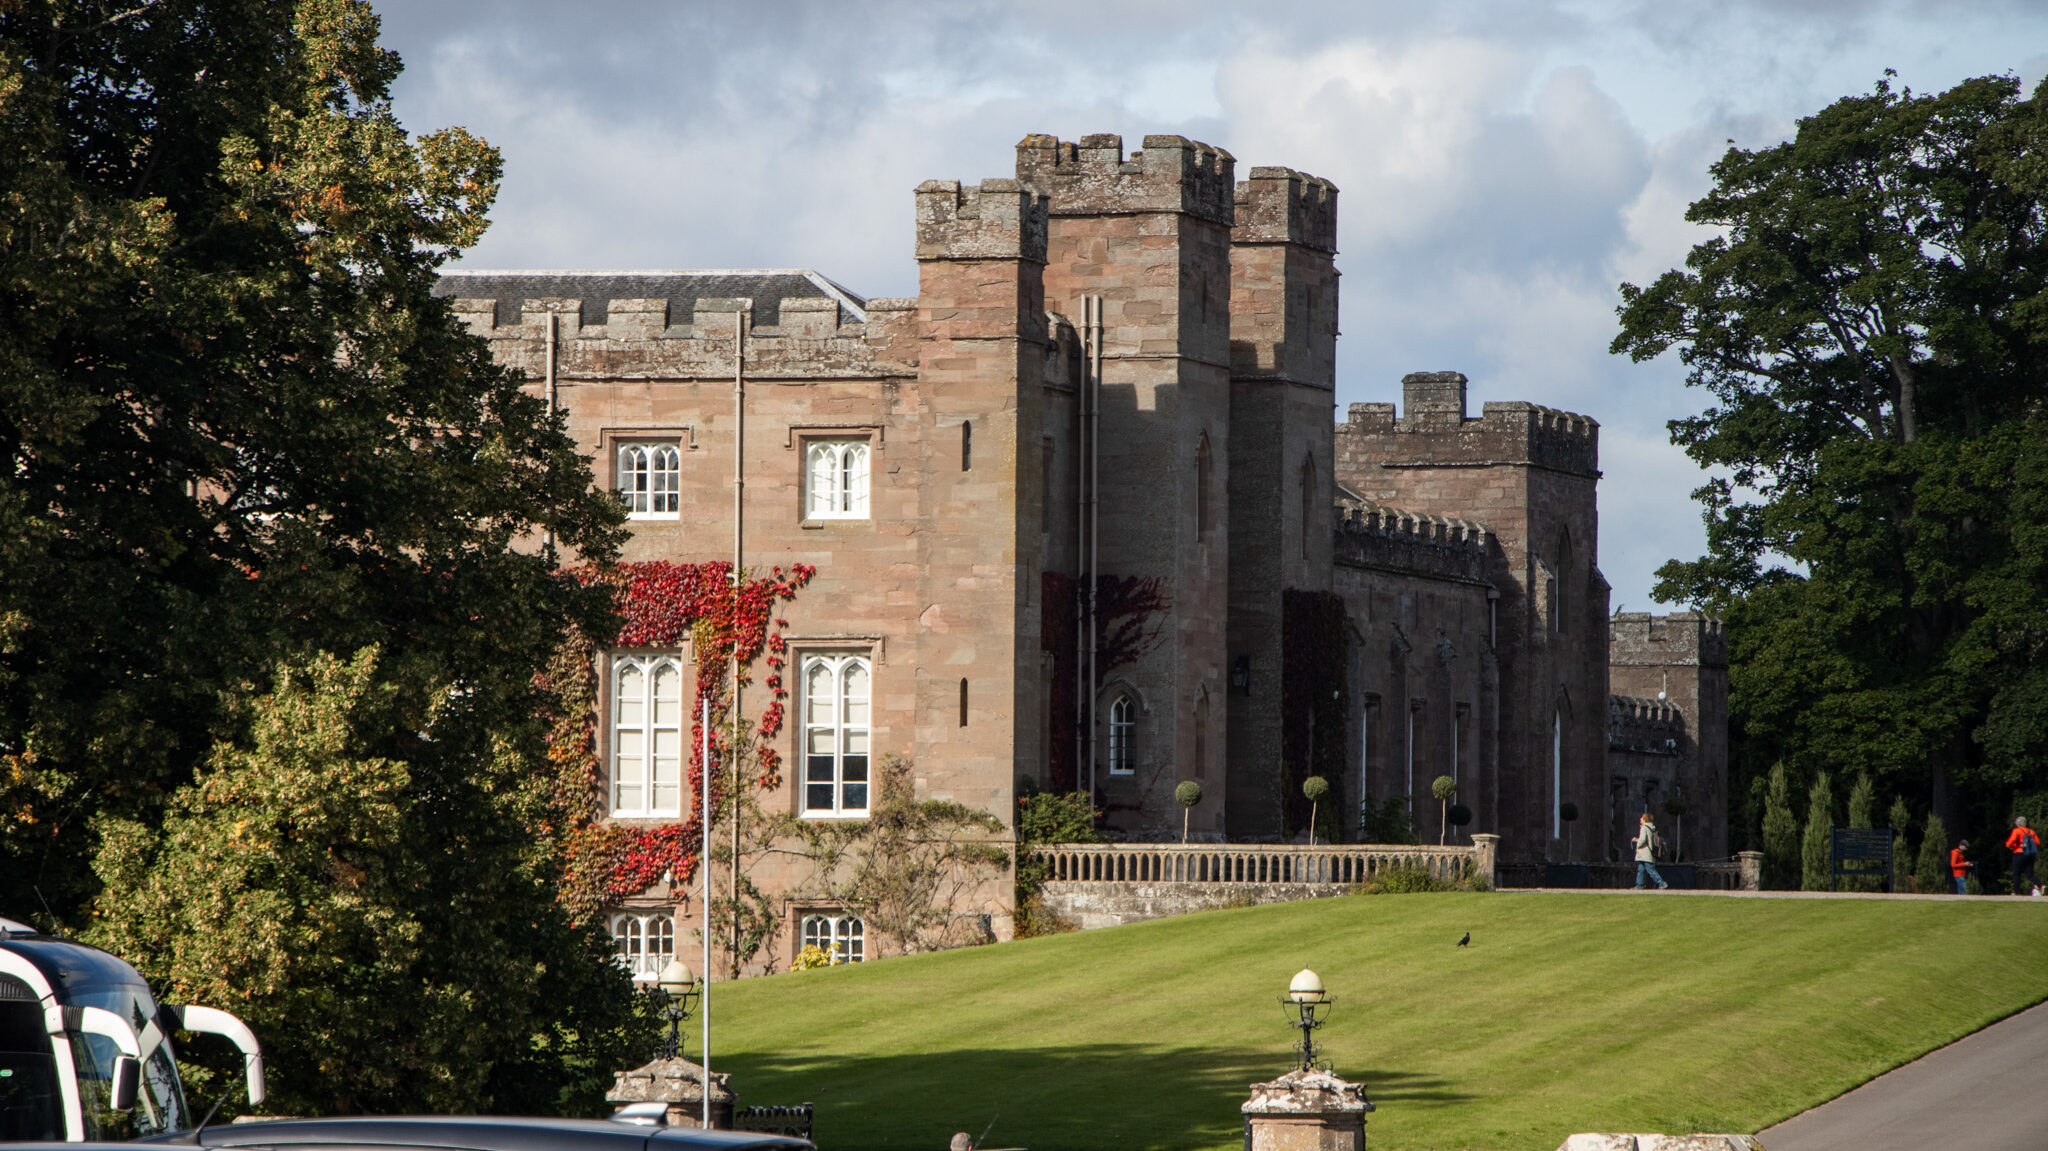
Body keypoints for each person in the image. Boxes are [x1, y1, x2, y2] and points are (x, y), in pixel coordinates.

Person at [2006, 816, 2041, 897]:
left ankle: (2017, 892)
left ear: (2017, 824)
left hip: (2019, 853)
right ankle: (2040, 885)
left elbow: (2011, 841)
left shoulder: (2016, 831)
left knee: (2016, 873)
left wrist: (2010, 845)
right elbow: (2038, 842)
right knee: (2030, 874)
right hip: (2030, 855)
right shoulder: (2031, 831)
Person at [1633, 812, 1668, 890]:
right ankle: (1639, 884)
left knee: (1650, 869)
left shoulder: (1644, 828)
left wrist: (1637, 845)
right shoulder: (1651, 828)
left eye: (1641, 818)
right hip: (1647, 853)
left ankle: (1661, 883)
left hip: (1645, 853)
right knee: (1641, 869)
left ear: (1645, 819)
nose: (1640, 819)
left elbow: (1642, 840)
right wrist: (1637, 840)